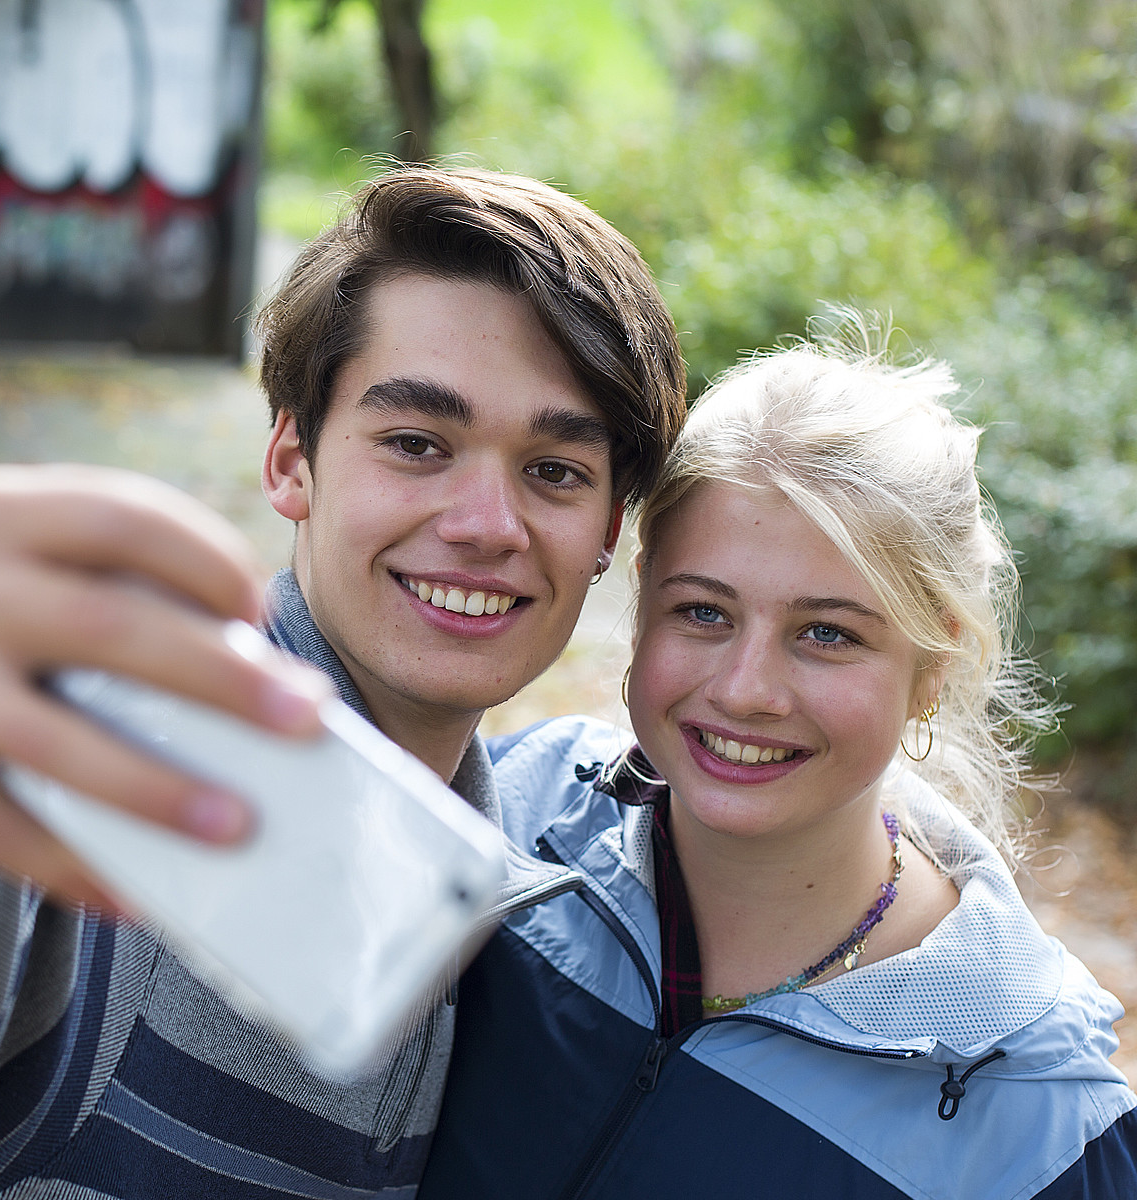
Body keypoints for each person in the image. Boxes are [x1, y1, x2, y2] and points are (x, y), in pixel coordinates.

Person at [0, 165, 686, 1197]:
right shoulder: (109, 775)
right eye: (417, 443)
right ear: (292, 457)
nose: (486, 525)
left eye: (554, 471)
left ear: (606, 532)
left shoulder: (521, 880)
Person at [419, 329, 1137, 1199]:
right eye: (704, 613)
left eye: (827, 634)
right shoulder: (499, 815)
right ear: (642, 598)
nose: (747, 690)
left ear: (932, 667)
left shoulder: (1039, 1129)